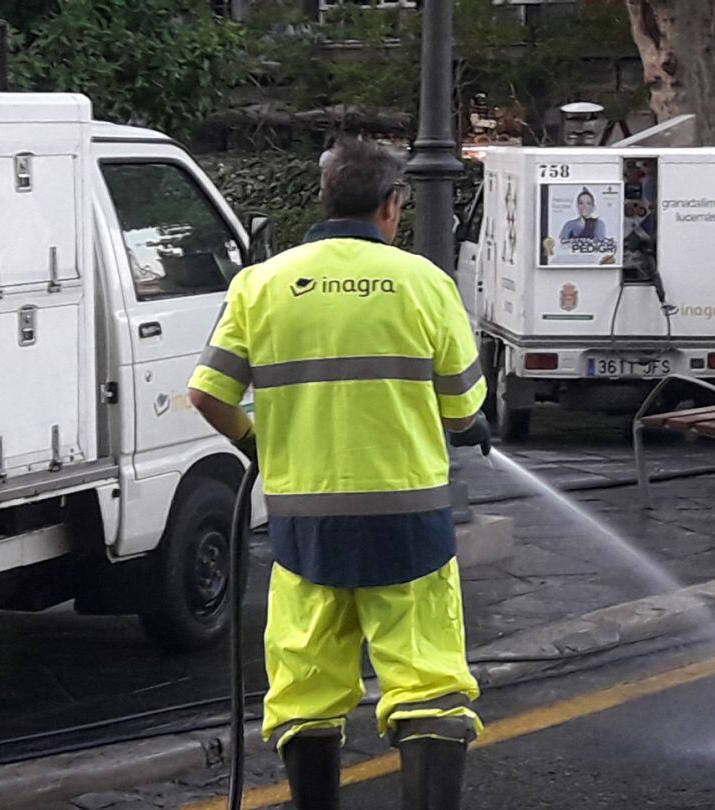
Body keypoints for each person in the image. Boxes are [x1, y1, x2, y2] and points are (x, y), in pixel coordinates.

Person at [188, 138, 491, 810]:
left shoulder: (262, 284)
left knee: (304, 690)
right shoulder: (425, 283)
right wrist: (474, 427)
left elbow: (208, 395)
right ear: (392, 205)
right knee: (429, 690)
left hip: (308, 530)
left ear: (324, 199)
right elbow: (464, 408)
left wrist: (259, 442)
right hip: (410, 529)